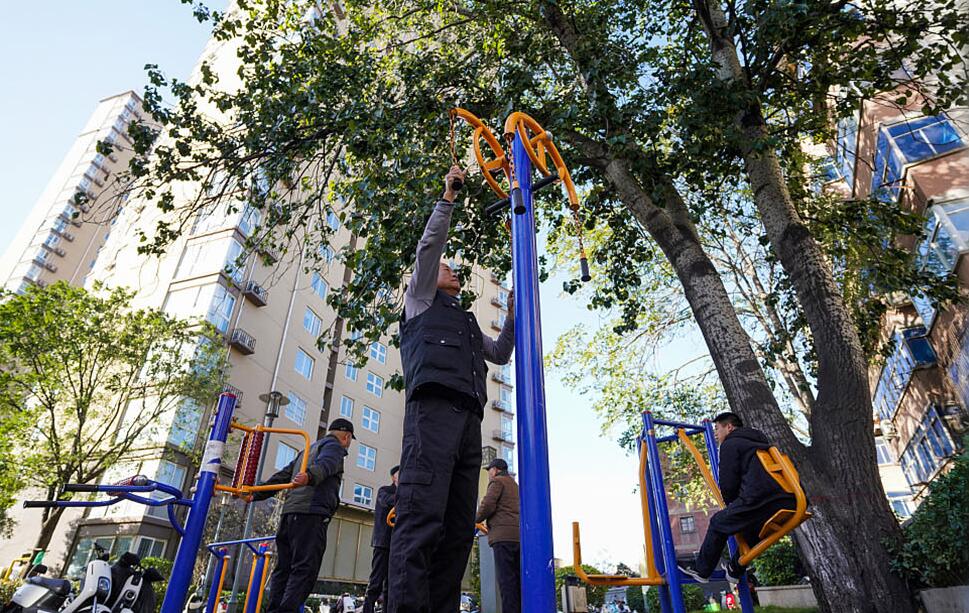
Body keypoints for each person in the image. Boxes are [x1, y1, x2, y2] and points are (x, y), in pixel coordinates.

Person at [387, 165, 516, 613]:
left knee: (458, 527)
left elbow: (499, 353)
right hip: (433, 415)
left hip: (468, 424)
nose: (452, 269)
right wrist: (449, 196)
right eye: (447, 267)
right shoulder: (420, 300)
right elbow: (429, 248)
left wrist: (515, 311)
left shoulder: (465, 322)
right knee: (421, 518)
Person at [248, 419, 354, 613]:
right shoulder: (334, 447)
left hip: (290, 514)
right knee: (305, 569)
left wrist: (255, 493)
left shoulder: (307, 450)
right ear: (346, 437)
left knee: (284, 569)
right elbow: (327, 464)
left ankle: (273, 610)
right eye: (349, 440)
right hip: (311, 514)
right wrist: (311, 477)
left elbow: (282, 476)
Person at [678, 412, 797, 584]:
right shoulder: (762, 444)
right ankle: (736, 568)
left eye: (717, 429)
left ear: (729, 427)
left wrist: (730, 505)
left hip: (762, 499)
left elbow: (728, 483)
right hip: (789, 498)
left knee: (719, 522)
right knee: (752, 530)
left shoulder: (730, 444)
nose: (716, 434)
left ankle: (701, 570)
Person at [474, 458, 520, 613]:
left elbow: (488, 504)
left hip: (502, 537)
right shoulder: (514, 485)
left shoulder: (497, 482)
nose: (489, 474)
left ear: (495, 470)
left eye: (489, 471)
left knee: (506, 581)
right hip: (517, 537)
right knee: (517, 579)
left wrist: (474, 520)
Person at [363, 465, 399, 613]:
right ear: (393, 477)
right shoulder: (384, 491)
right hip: (383, 542)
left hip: (398, 544)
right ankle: (368, 608)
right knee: (376, 580)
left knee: (391, 583)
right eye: (400, 474)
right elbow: (389, 501)